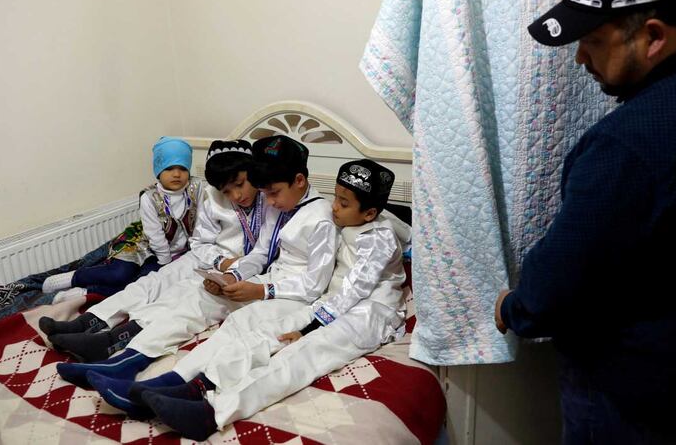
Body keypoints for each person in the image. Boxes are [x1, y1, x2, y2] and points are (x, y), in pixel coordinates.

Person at [493, 0, 676, 444]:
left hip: (633, 396)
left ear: (652, 35)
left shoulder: (631, 147)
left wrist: (513, 306)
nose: (581, 58)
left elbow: (553, 289)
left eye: (594, 41)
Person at [102, 159, 410, 441]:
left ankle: (214, 412)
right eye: (336, 198)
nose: (334, 207)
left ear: (369, 212)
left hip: (368, 313)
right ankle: (195, 385)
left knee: (299, 355)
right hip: (329, 302)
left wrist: (309, 328)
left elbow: (355, 288)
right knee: (259, 334)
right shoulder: (348, 220)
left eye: (343, 203)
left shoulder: (378, 238)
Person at [65, 135, 338, 416]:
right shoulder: (278, 205)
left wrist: (259, 291)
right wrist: (231, 276)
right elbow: (260, 253)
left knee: (239, 326)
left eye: (273, 192)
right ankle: (127, 362)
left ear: (300, 181)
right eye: (264, 192)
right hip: (266, 280)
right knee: (201, 297)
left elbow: (314, 285)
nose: (267, 199)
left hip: (291, 292)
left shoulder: (321, 218)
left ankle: (170, 384)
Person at [38, 139, 267, 362]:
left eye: (240, 184)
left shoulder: (272, 199)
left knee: (182, 298)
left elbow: (269, 252)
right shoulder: (213, 196)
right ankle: (89, 321)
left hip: (241, 269)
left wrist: (232, 269)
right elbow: (200, 240)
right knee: (152, 282)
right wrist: (218, 261)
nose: (236, 195)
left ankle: (112, 340)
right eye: (227, 191)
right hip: (209, 257)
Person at [41, 136, 201, 302]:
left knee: (144, 284)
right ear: (158, 170)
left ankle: (85, 293)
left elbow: (201, 221)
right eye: (169, 168)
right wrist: (165, 264)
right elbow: (155, 235)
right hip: (144, 246)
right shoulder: (149, 197)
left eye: (182, 168)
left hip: (178, 252)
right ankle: (73, 278)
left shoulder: (196, 188)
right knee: (120, 274)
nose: (176, 174)